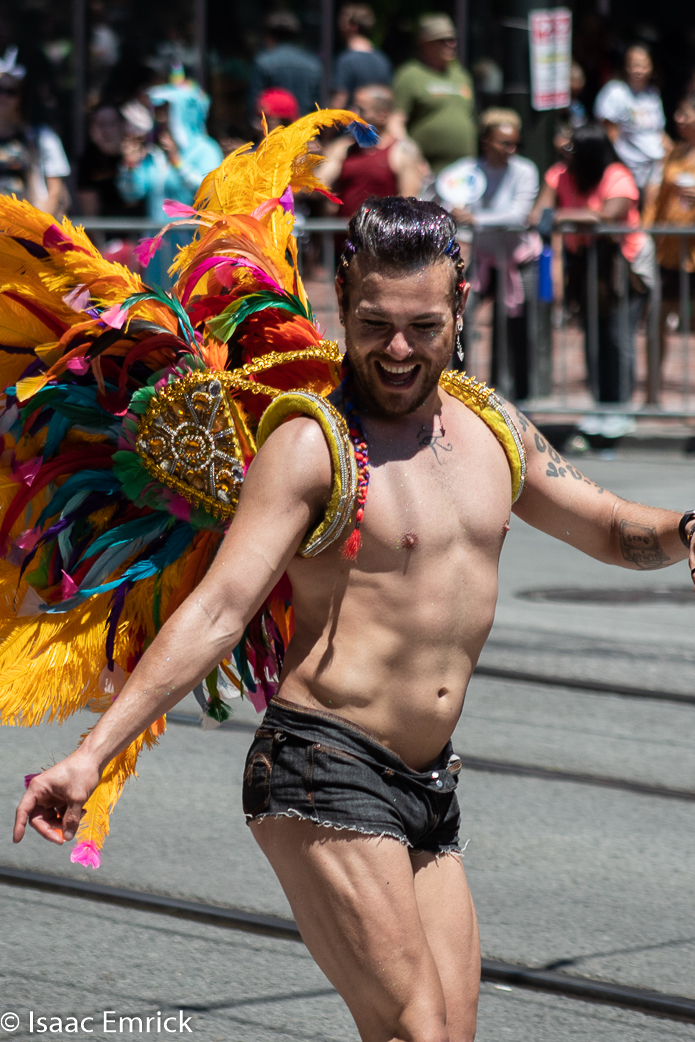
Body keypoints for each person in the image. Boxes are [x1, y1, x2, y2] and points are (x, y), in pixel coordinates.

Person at [12, 186, 695, 1042]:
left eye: (422, 325)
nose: (399, 350)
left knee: (446, 1028)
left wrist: (685, 532)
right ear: (343, 301)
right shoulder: (311, 446)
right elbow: (221, 607)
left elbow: (605, 524)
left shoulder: (493, 426)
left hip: (429, 784)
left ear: (460, 303)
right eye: (374, 326)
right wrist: (89, 758)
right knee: (415, 1028)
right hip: (320, 769)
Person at [531, 122, 655, 409]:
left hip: (622, 265)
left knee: (616, 336)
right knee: (592, 337)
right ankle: (600, 405)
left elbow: (608, 216)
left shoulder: (617, 175)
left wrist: (560, 216)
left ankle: (619, 407)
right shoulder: (561, 174)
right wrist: (566, 215)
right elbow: (539, 213)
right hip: (585, 265)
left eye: (574, 148)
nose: (566, 152)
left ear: (591, 153)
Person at [441, 108, 540, 400]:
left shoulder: (525, 170)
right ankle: (459, 389)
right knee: (461, 319)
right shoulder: (467, 170)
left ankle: (519, 397)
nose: (511, 150)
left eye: (515, 144)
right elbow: (448, 199)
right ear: (486, 141)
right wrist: (455, 210)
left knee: (517, 329)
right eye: (504, 143)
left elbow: (519, 214)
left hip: (518, 260)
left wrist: (475, 218)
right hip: (483, 259)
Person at [117, 74, 223, 284]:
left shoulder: (207, 149)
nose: (161, 118)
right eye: (159, 111)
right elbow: (132, 193)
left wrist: (177, 162)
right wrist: (129, 165)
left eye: (167, 110)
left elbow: (210, 192)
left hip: (192, 248)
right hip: (157, 251)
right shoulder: (154, 152)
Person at [643, 91, 695, 390]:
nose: (678, 119)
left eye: (684, 114)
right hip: (671, 254)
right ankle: (652, 390)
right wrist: (648, 229)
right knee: (656, 320)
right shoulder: (673, 153)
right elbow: (658, 195)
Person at [320, 84, 426, 218]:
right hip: (345, 236)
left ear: (382, 115)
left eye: (361, 110)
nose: (353, 114)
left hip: (383, 236)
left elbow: (409, 204)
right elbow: (317, 187)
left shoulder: (402, 151)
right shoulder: (343, 149)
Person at [392, 13, 476, 173]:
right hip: (426, 170)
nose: (451, 44)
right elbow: (395, 123)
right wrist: (413, 159)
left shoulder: (461, 75)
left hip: (465, 171)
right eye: (442, 40)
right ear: (424, 43)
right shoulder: (410, 74)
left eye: (452, 39)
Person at [0, 45, 69, 217]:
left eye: (11, 91)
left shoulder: (42, 138)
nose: (3, 97)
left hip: (24, 229)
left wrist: (38, 232)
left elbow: (54, 190)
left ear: (22, 96)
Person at [594, 43, 669, 200]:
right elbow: (610, 133)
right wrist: (620, 166)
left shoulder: (652, 94)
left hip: (654, 168)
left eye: (643, 66)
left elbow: (659, 132)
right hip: (628, 168)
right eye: (634, 65)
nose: (638, 70)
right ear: (626, 66)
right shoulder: (615, 92)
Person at [248, 12, 322, 119]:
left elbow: (254, 105)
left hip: (275, 130)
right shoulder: (313, 63)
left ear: (270, 36)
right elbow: (318, 103)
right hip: (306, 130)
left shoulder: (263, 62)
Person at [331, 4, 392, 110]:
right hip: (374, 124)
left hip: (352, 124)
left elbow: (340, 99)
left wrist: (327, 123)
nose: (339, 25)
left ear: (353, 26)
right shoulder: (383, 59)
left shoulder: (346, 60)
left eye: (343, 22)